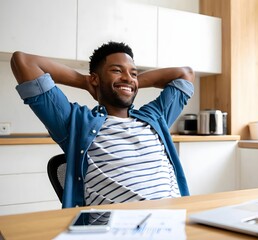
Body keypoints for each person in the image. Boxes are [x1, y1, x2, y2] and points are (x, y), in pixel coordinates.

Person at [11, 41, 195, 208]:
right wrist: (86, 82)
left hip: (173, 222)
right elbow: (24, 62)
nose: (128, 77)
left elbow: (185, 74)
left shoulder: (155, 117)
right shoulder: (75, 122)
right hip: (114, 229)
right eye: (116, 70)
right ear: (95, 78)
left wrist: (129, 83)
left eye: (133, 73)